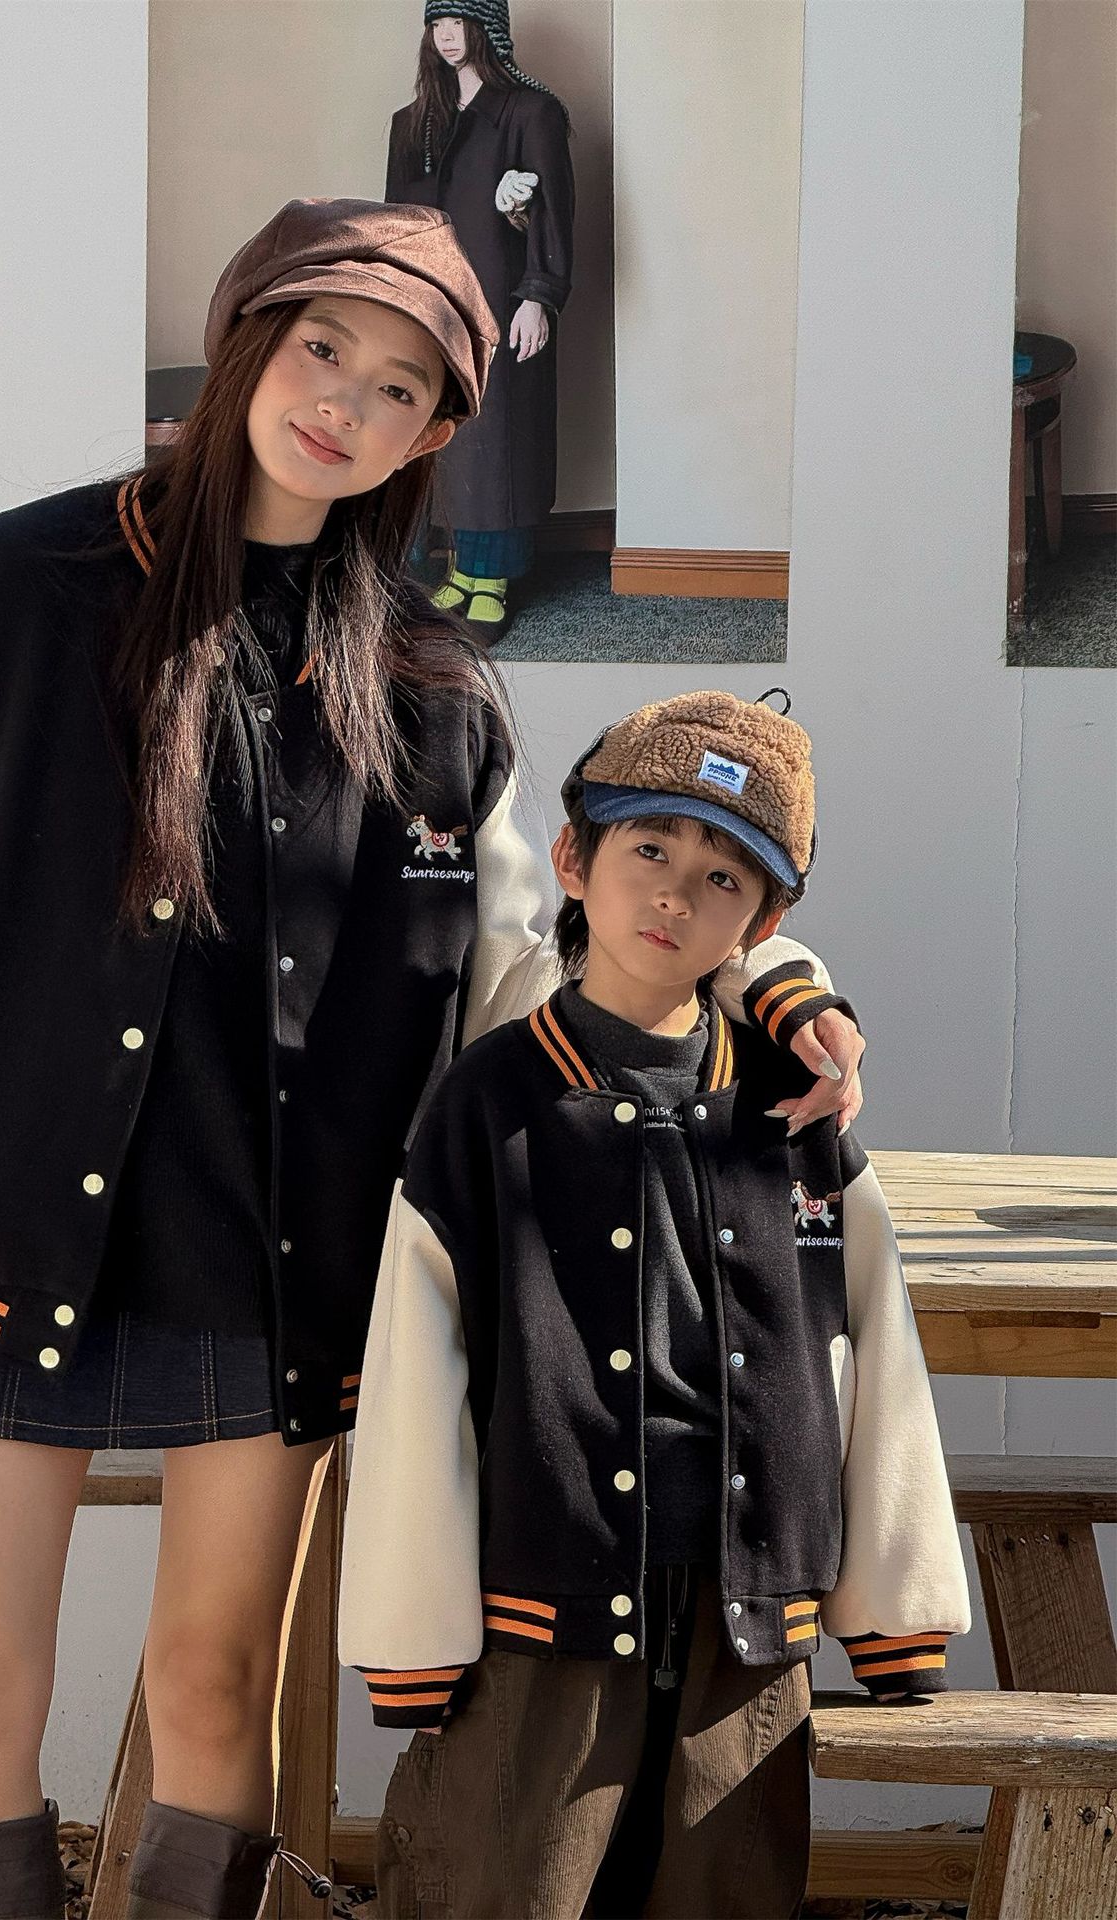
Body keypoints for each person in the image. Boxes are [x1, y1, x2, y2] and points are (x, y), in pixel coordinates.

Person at [0, 195, 863, 1920]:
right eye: (322, 350)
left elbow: (536, 969)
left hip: (273, 1251)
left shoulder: (434, 690)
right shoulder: (5, 590)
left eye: (398, 389)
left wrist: (771, 981)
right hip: (0, 1226)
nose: (344, 405)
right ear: (246, 340)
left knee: (216, 1687)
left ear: (436, 434)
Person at [338, 689, 968, 1919]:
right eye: (649, 850)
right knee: (508, 1887)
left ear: (763, 923)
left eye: (724, 878)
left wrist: (896, 1615)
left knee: (725, 1891)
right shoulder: (485, 1105)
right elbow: (416, 1381)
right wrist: (413, 1637)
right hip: (540, 1618)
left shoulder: (798, 1113)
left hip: (750, 1621)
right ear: (573, 861)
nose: (677, 895)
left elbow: (875, 1349)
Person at [387, 3, 575, 640]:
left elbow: (553, 215)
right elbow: (399, 223)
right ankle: (462, 570)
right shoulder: (413, 124)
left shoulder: (530, 113)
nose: (447, 36)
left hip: (502, 299)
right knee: (450, 436)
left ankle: (492, 578)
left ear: (488, 29)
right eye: (436, 23)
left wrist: (538, 296)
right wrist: (399, 301)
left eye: (460, 21)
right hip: (436, 305)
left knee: (499, 442)